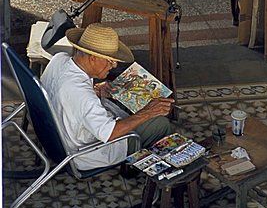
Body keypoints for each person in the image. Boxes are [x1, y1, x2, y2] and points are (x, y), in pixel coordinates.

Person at [41, 22, 175, 172]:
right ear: (92, 58)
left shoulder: (59, 59)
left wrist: (95, 90)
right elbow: (109, 133)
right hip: (84, 155)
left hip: (53, 139)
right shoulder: (82, 95)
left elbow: (63, 92)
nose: (114, 65)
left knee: (125, 104)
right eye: (109, 60)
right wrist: (148, 112)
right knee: (160, 124)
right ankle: (151, 173)